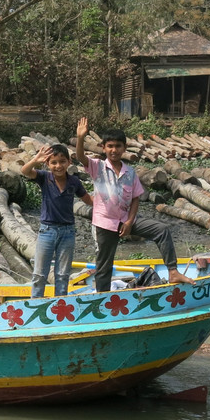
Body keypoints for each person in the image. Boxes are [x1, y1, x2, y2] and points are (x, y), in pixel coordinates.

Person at [75, 117, 194, 293]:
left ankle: (173, 272)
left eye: (118, 146)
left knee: (161, 230)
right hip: (105, 222)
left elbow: (135, 199)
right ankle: (102, 297)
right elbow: (80, 157)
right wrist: (80, 138)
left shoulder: (130, 173)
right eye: (110, 146)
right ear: (103, 148)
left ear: (124, 148)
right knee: (104, 265)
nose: (114, 150)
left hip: (125, 219)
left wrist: (130, 222)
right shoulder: (98, 167)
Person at [20, 143, 92, 298]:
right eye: (54, 162)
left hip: (68, 232)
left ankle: (61, 303)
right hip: (47, 231)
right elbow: (25, 171)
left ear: (69, 162)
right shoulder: (44, 177)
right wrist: (35, 160)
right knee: (39, 274)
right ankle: (36, 303)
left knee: (63, 274)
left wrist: (108, 204)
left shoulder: (74, 182)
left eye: (62, 161)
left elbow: (88, 199)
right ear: (48, 164)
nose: (58, 166)